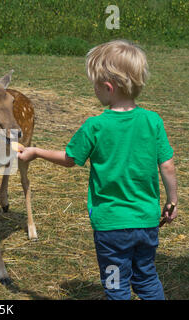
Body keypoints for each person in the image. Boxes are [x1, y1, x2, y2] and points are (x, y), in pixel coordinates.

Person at [17, 39, 178, 300]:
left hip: (111, 230)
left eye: (95, 85)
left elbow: (70, 159)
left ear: (108, 87)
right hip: (147, 224)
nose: (94, 90)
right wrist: (172, 202)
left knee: (116, 284)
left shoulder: (95, 126)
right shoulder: (153, 121)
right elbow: (167, 166)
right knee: (147, 276)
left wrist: (36, 152)